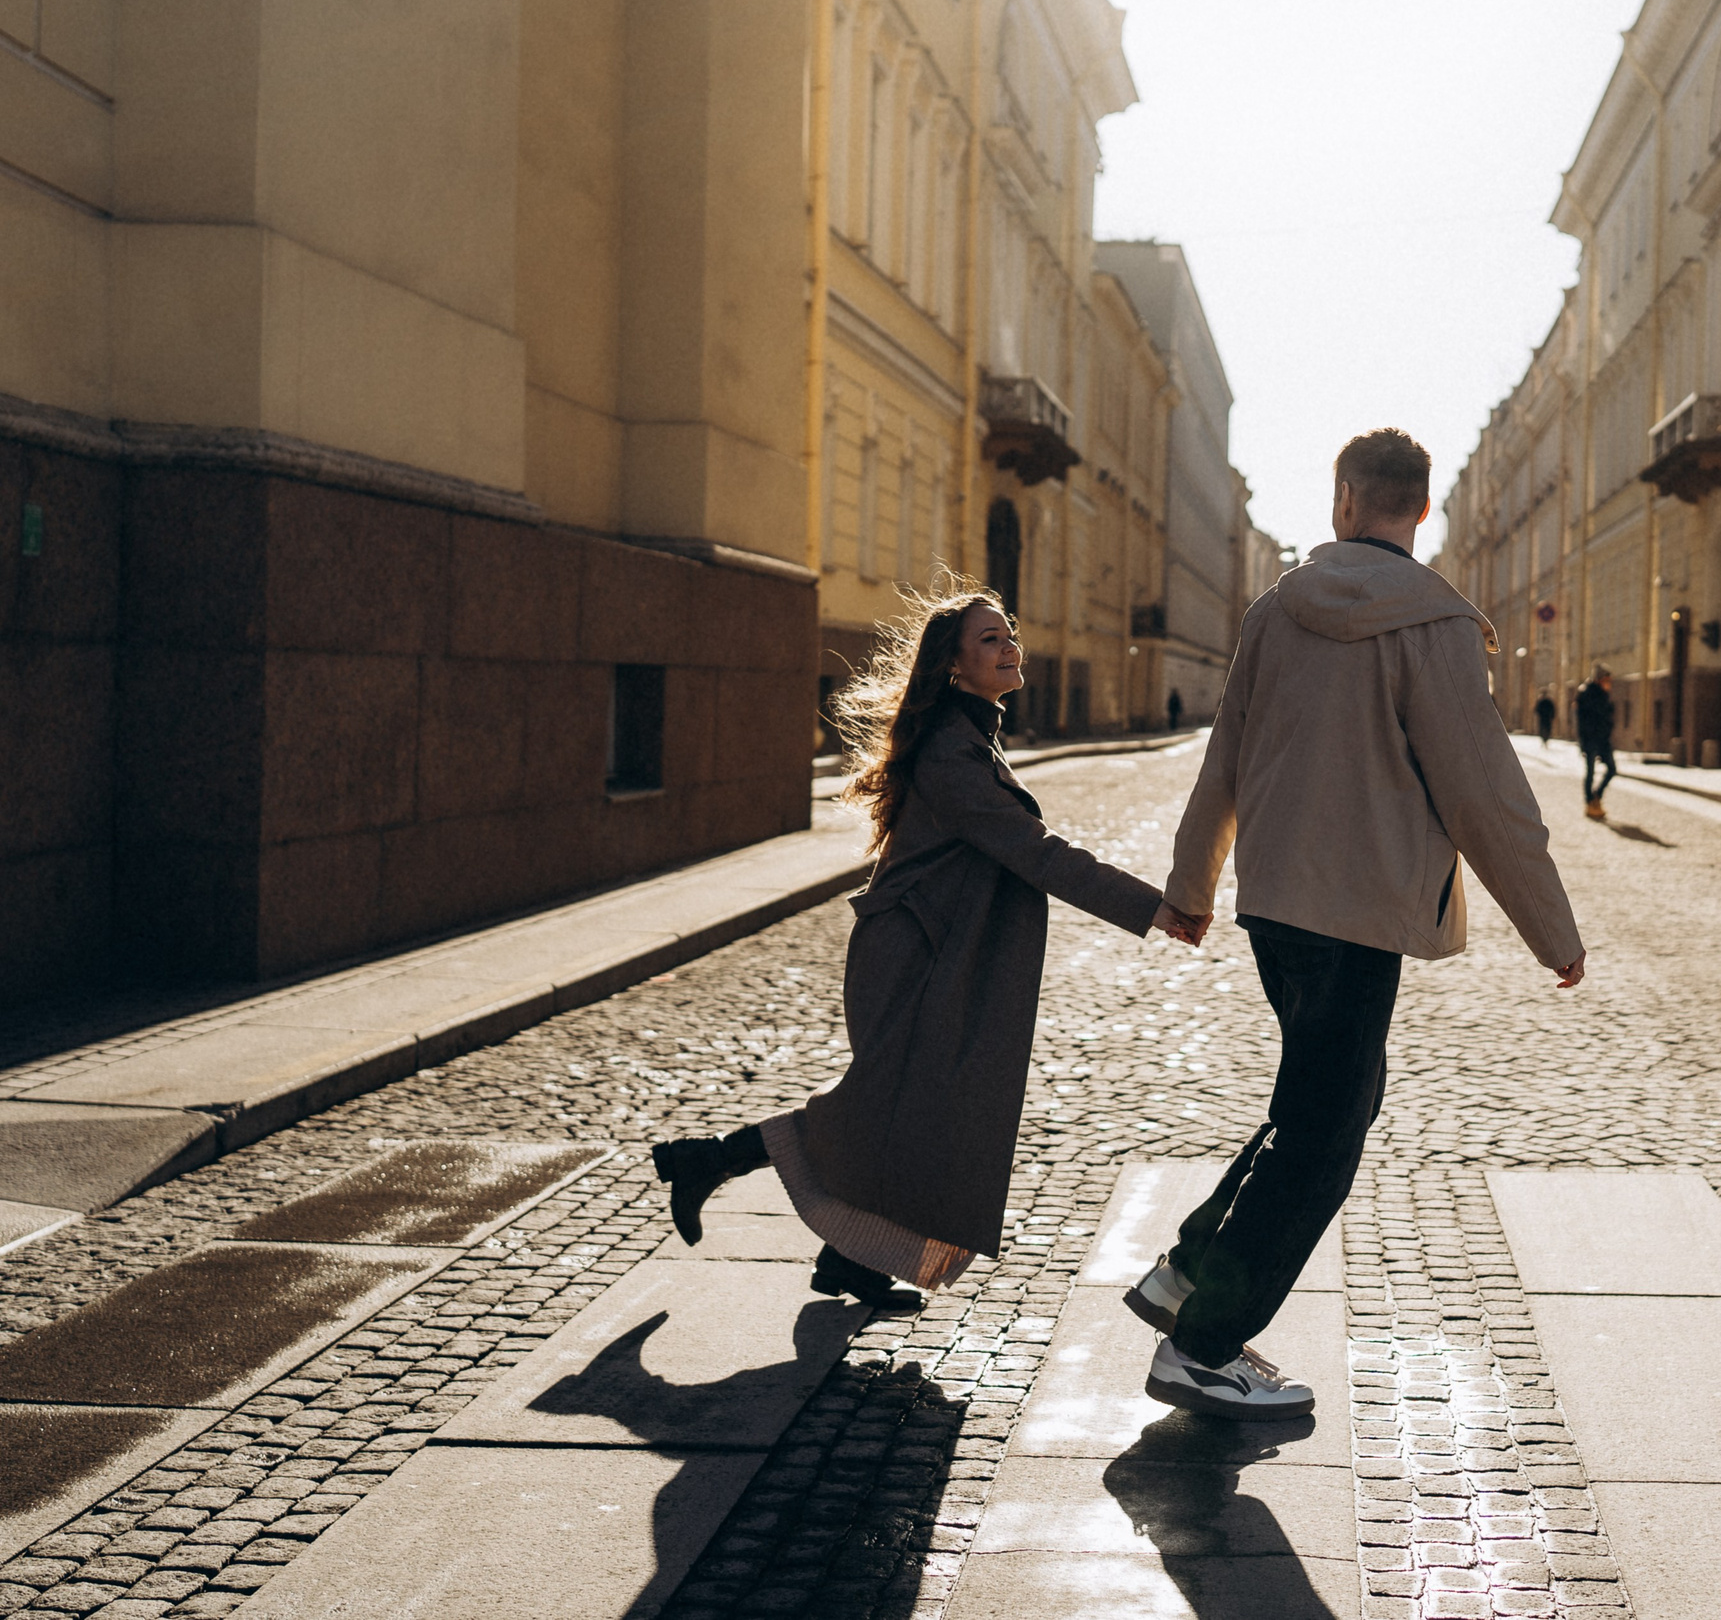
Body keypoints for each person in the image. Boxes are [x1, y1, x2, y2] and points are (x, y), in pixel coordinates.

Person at [1130, 428, 1586, 1420]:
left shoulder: (1275, 611)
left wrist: (1191, 885)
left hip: (1275, 905)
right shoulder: (1434, 622)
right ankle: (1201, 1347)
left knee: (1316, 1105)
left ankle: (1186, 1273)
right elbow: (1483, 793)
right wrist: (1552, 929)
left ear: (1342, 499)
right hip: (1362, 912)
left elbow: (1224, 757)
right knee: (1325, 1135)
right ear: (1419, 509)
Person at [650, 589, 1204, 1311]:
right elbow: (1032, 849)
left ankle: (849, 1260)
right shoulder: (950, 748)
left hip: (939, 951)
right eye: (989, 639)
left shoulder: (969, 733)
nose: (1009, 647)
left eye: (1009, 634)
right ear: (953, 664)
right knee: (873, 1112)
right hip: (914, 957)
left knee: (913, 1115)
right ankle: (707, 1160)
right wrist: (1151, 907)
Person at [1574, 665, 1616, 819]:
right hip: (1590, 739)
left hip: (1603, 739)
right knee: (1590, 772)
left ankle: (1597, 796)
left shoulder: (1604, 695)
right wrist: (1584, 741)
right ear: (1599, 680)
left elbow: (1607, 716)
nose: (1609, 683)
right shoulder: (1586, 693)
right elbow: (1583, 721)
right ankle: (1589, 802)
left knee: (1612, 769)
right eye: (1606, 680)